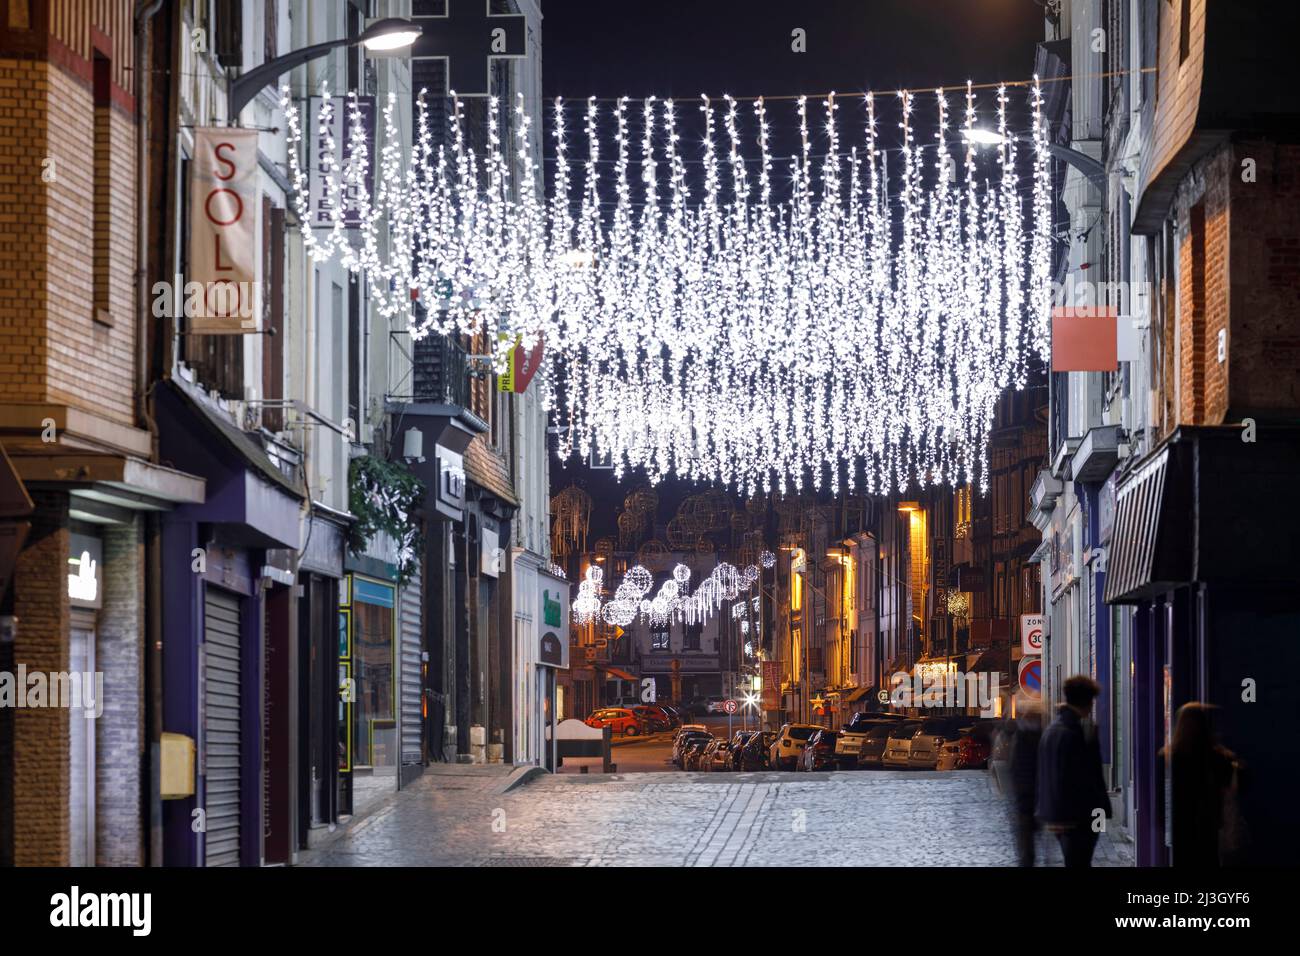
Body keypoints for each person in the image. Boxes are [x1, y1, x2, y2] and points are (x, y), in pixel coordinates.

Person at [1036, 675, 1110, 867]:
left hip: (1063, 817)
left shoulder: (1053, 730)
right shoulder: (1075, 733)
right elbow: (1088, 779)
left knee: (1076, 861)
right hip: (1078, 818)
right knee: (1080, 861)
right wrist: (1099, 820)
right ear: (1087, 701)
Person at [1160, 702, 1241, 867]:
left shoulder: (1168, 758)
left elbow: (1162, 798)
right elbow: (1238, 785)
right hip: (1209, 828)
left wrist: (1165, 827)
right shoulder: (1218, 757)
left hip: (1180, 829)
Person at [1008, 702, 1043, 866]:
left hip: (1028, 797)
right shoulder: (1033, 736)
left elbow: (1015, 769)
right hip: (1030, 797)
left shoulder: (1023, 736)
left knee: (1027, 840)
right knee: (1028, 842)